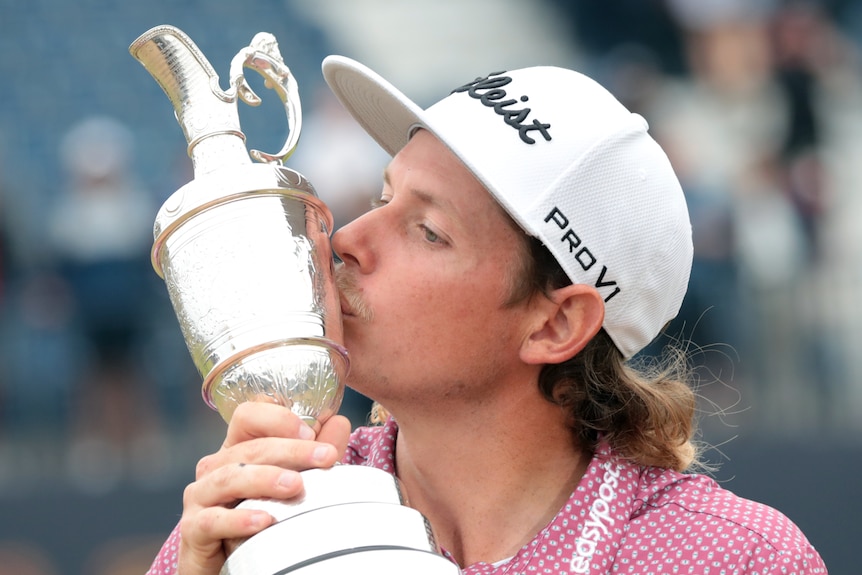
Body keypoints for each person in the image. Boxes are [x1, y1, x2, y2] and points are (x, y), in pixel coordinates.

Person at [146, 56, 827, 574]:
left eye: (426, 229)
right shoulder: (255, 514)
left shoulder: (734, 556)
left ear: (555, 324)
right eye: (384, 195)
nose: (348, 239)